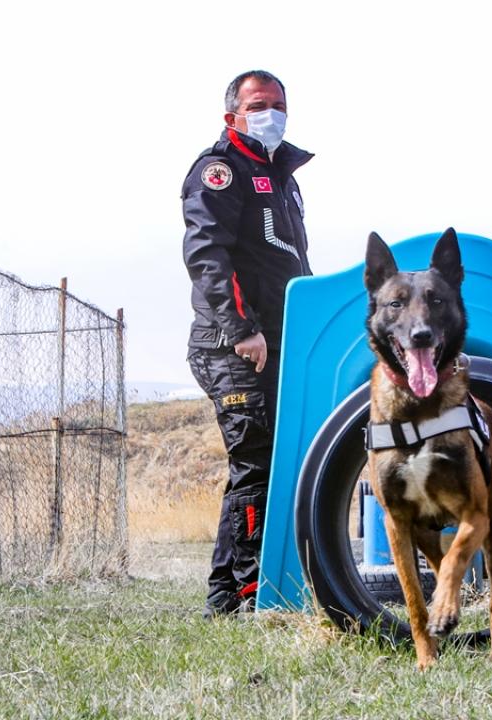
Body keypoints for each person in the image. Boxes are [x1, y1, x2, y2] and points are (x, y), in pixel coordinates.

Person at [181, 70, 313, 617]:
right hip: (232, 344)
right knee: (257, 462)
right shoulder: (220, 170)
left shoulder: (281, 175)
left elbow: (289, 263)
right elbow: (207, 254)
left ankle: (224, 598)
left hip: (279, 342)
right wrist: (243, 330)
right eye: (259, 104)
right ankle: (249, 589)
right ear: (232, 113)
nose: (272, 113)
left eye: (279, 104)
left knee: (264, 465)